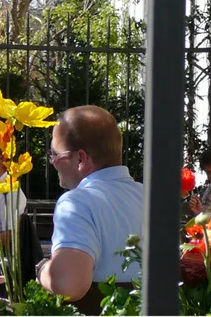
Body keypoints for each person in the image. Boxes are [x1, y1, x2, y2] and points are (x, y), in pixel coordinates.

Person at [37, 105, 143, 308]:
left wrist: (42, 270)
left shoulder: (77, 202)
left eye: (55, 154)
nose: (52, 161)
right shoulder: (151, 198)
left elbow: (69, 286)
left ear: (81, 159)